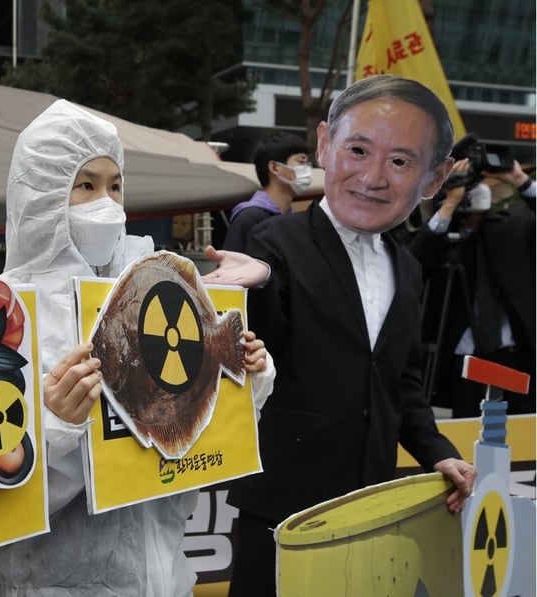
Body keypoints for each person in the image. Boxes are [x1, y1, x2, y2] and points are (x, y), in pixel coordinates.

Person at [0, 99, 275, 596]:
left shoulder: (157, 292)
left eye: (115, 185)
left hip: (161, 579)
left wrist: (240, 382)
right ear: (41, 194)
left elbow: (186, 450)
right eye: (84, 185)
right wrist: (57, 430)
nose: (105, 202)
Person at [202, 75, 477, 596]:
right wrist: (258, 284)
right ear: (325, 145)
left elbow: (402, 382)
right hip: (282, 505)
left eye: (400, 161)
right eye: (357, 149)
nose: (373, 176)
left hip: (371, 505)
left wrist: (437, 451)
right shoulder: (271, 241)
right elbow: (257, 353)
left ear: (434, 179)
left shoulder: (408, 268)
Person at [409, 158, 535, 417]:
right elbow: (413, 265)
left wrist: (520, 181)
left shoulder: (511, 226)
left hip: (516, 355)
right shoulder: (441, 237)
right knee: (467, 439)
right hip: (463, 359)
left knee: (524, 441)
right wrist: (449, 204)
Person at [222, 132, 311, 253]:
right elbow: (230, 267)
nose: (307, 169)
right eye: (301, 162)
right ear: (274, 167)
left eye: (307, 163)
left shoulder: (292, 219)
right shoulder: (249, 217)